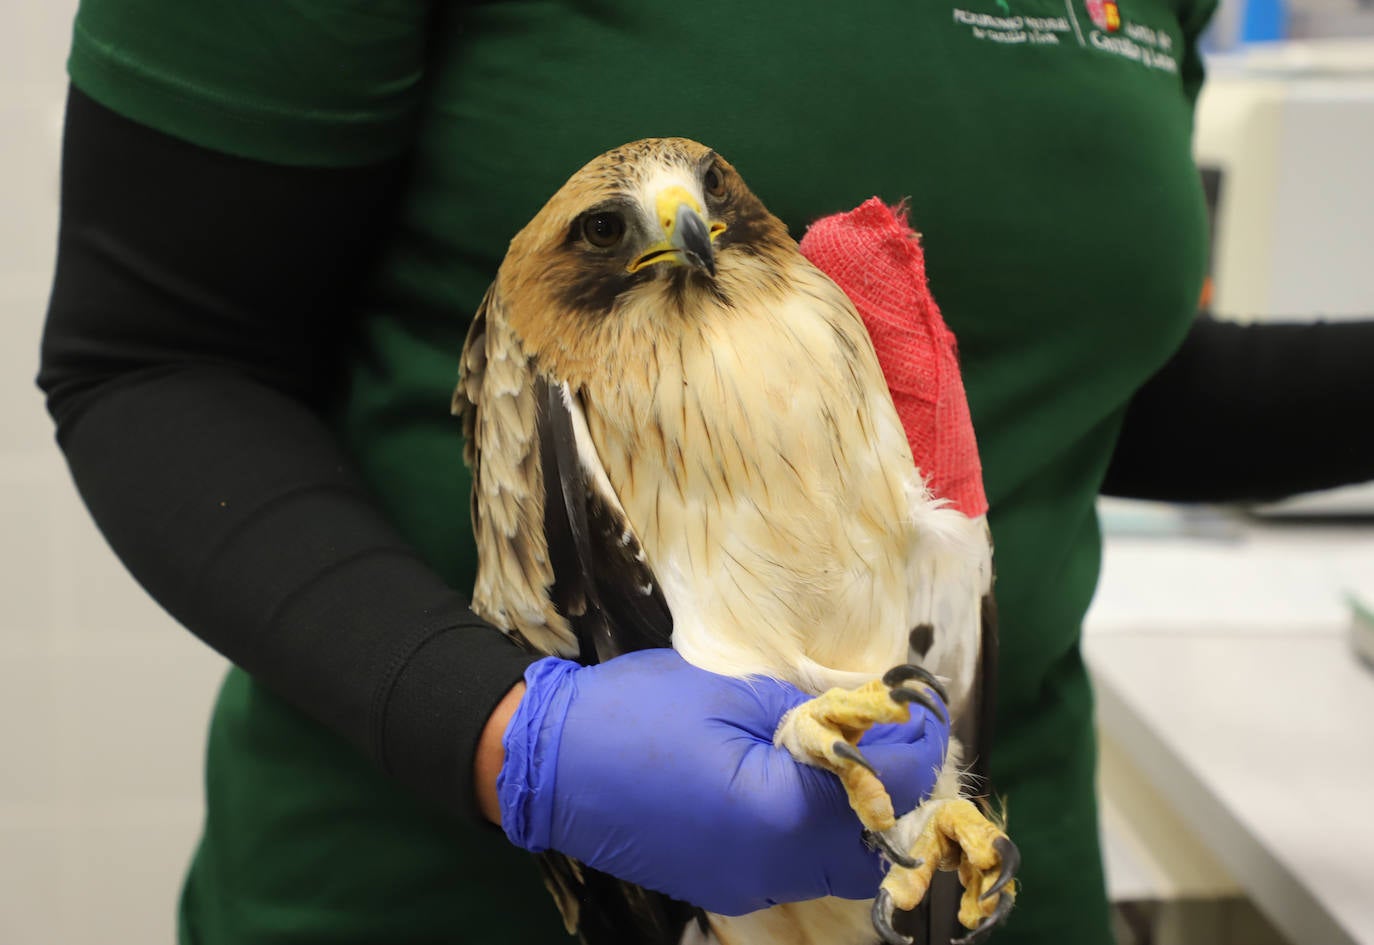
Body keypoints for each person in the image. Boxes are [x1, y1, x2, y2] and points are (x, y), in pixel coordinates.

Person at [37, 2, 1374, 943]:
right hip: (439, 887)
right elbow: (159, 361)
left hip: (963, 875)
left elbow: (1085, 373)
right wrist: (515, 736)